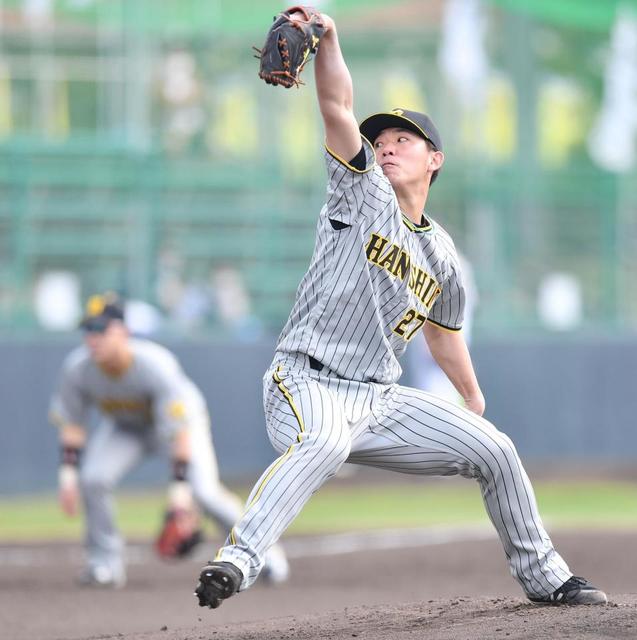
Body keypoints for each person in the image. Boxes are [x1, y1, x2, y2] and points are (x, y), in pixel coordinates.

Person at [194, 11, 606, 609]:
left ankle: (549, 579)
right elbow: (337, 106)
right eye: (380, 142)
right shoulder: (361, 188)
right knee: (325, 445)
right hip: (304, 381)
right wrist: (329, 38)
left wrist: (472, 401)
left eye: (402, 141)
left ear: (435, 158)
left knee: (496, 449)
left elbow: (444, 335)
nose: (385, 148)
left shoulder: (442, 255)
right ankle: (236, 560)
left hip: (380, 399)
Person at [50, 292, 289, 588]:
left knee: (204, 493)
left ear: (122, 331)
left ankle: (263, 553)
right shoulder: (79, 368)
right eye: (88, 330)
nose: (93, 338)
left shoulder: (154, 364)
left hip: (182, 428)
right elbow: (73, 423)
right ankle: (104, 565)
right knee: (94, 478)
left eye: (101, 329)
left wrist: (179, 491)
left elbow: (179, 432)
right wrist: (68, 474)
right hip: (126, 429)